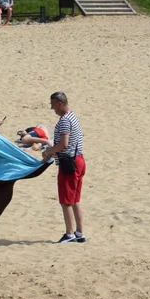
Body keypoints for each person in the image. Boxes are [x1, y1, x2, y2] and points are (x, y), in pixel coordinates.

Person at [41, 92, 86, 243]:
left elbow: (64, 144)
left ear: (59, 103)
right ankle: (79, 232)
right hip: (79, 160)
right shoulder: (72, 116)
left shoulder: (65, 120)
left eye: (53, 104)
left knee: (66, 200)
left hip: (70, 163)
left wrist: (48, 151)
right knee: (75, 199)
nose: (52, 108)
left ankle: (69, 234)